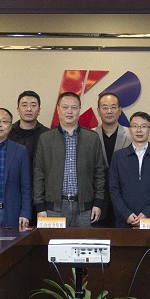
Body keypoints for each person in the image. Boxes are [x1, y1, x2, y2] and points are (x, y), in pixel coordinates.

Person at [32, 92, 106, 227]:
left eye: (74, 107)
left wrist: (98, 202)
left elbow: (99, 173)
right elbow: (39, 174)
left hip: (85, 209)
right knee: (55, 241)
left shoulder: (92, 138)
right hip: (53, 209)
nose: (69, 112)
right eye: (65, 107)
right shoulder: (45, 138)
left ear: (79, 110)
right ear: (58, 109)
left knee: (84, 241)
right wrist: (40, 206)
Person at [109, 111, 150, 227]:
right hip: (125, 220)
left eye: (143, 126)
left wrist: (147, 213)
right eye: (135, 126)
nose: (139, 130)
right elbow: (114, 189)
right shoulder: (118, 156)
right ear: (130, 130)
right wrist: (126, 214)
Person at [93, 91, 132, 227]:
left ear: (120, 110)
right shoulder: (90, 135)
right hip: (97, 202)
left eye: (113, 107)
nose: (109, 111)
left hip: (124, 201)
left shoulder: (131, 135)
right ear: (98, 111)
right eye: (105, 107)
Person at [7, 90, 49, 176]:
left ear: (39, 110)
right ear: (18, 110)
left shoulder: (47, 135)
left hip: (39, 182)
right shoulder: (7, 133)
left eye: (33, 105)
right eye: (24, 105)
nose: (29, 109)